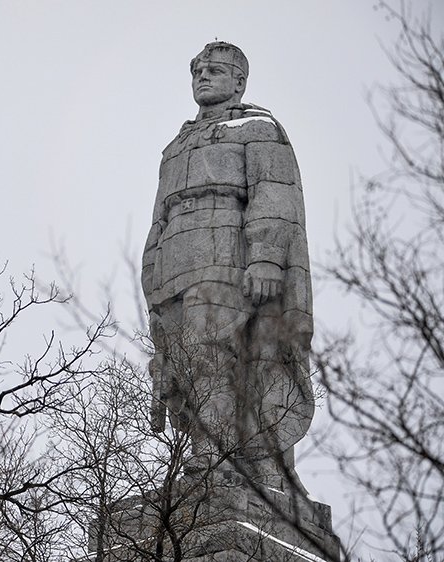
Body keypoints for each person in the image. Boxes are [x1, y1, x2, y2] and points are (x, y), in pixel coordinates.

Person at [141, 42, 314, 489]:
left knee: (212, 353)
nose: (202, 76)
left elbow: (274, 196)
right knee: (183, 361)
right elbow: (159, 215)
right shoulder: (175, 146)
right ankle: (210, 451)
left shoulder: (258, 129)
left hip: (226, 255)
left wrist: (266, 258)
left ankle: (216, 456)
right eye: (197, 70)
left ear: (238, 82)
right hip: (175, 263)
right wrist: (151, 273)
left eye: (215, 70)